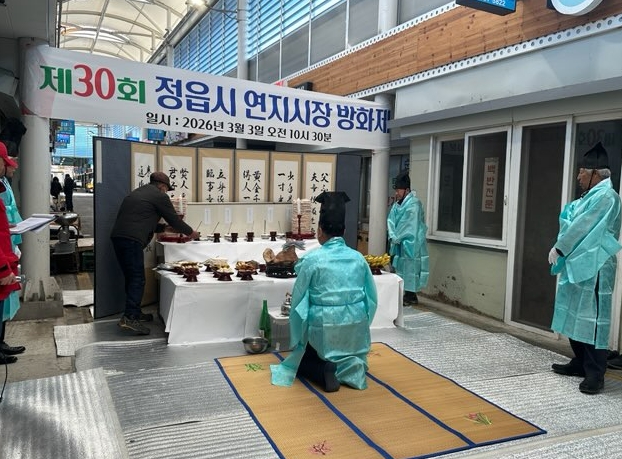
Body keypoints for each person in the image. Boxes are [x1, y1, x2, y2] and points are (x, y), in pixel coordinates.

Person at [271, 191, 378, 392]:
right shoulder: (358, 258)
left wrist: (298, 336)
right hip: (355, 329)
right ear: (343, 230)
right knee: (351, 352)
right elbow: (372, 300)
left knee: (299, 359)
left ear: (319, 231)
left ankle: (324, 370)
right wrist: (361, 325)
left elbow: (299, 302)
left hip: (325, 328)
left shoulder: (312, 260)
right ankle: (352, 367)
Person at [548, 142, 622, 395]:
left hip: (595, 265)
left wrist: (560, 247)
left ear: (595, 173)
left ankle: (595, 373)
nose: (578, 176)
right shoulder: (590, 196)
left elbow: (583, 225)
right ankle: (580, 361)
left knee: (593, 319)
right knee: (575, 314)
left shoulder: (607, 197)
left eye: (582, 172)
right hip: (579, 263)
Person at [111, 172, 200, 335]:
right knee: (137, 279)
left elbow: (143, 219)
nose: (166, 192)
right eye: (166, 189)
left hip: (119, 237)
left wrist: (164, 228)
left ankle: (134, 312)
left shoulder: (139, 192)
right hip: (131, 240)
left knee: (131, 278)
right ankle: (129, 318)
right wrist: (191, 233)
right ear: (162, 186)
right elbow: (175, 220)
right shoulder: (159, 196)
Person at [387, 170, 429, 305]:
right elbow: (391, 221)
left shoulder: (414, 204)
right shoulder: (396, 205)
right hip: (399, 241)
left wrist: (397, 237)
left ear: (407, 190)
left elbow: (410, 225)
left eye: (398, 190)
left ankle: (411, 296)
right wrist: (393, 235)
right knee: (400, 268)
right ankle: (404, 293)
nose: (396, 193)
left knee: (411, 268)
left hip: (412, 242)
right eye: (396, 190)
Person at [0, 143, 22, 364]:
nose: (13, 168)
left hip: (8, 249)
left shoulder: (4, 184)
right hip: (2, 259)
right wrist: (2, 268)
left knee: (4, 302)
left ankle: (1, 343)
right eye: (7, 163)